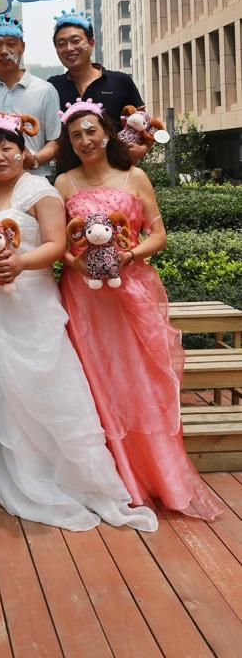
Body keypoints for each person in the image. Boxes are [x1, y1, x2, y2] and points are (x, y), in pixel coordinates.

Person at [0, 115, 158, 532]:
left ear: (23, 151)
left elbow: (56, 244)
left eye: (7, 147)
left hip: (30, 299)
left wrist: (20, 262)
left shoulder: (40, 190)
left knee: (43, 385)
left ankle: (53, 473)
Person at [54, 99, 221, 521]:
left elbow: (157, 235)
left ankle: (153, 474)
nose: (85, 140)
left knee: (138, 379)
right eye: (76, 135)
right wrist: (78, 264)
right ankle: (109, 477)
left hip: (131, 290)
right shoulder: (64, 184)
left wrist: (129, 256)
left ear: (106, 133)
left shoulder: (135, 176)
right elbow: (59, 245)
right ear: (69, 142)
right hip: (84, 296)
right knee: (94, 378)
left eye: (91, 131)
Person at [48, 9, 148, 163]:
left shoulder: (120, 81)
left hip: (116, 170)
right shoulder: (52, 87)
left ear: (91, 43)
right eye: (62, 44)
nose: (69, 48)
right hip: (68, 174)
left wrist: (143, 148)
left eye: (75, 41)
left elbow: (144, 123)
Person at [0, 14, 61, 177]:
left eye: (11, 44)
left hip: (35, 182)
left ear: (22, 47)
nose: (4, 51)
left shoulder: (45, 90)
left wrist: (34, 160)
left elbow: (55, 140)